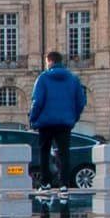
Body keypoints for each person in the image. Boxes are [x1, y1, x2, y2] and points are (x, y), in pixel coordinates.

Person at [27, 56, 85, 189]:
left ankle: (46, 182)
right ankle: (64, 183)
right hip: (65, 122)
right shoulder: (73, 79)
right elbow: (81, 101)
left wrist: (33, 118)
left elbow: (37, 101)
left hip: (45, 122)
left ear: (50, 62)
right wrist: (74, 117)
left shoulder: (43, 78)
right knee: (64, 153)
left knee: (44, 152)